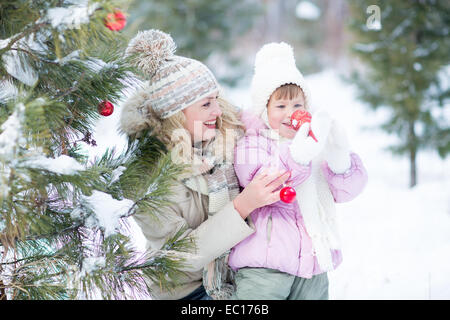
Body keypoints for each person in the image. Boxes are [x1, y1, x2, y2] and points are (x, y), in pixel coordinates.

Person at [119, 30, 290, 300]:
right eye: (207, 104)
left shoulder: (231, 137)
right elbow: (180, 256)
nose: (218, 111)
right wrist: (243, 205)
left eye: (217, 100)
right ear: (176, 114)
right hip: (186, 289)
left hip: (241, 272)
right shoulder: (147, 175)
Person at [227, 42, 368, 300]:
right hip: (265, 265)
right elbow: (262, 178)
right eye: (280, 107)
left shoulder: (315, 141)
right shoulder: (253, 142)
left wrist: (338, 158)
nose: (290, 114)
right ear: (264, 110)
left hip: (313, 263)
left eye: (297, 105)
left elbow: (346, 192)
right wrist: (298, 155)